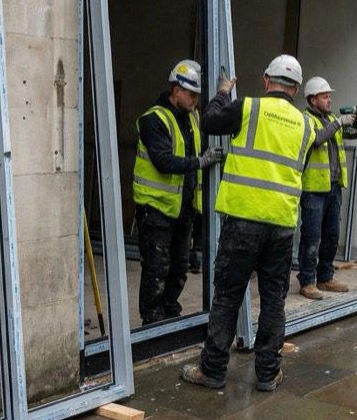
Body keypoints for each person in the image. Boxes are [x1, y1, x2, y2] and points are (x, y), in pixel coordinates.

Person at [181, 55, 342, 392]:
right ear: (296, 90)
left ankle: (212, 371)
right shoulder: (306, 124)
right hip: (282, 226)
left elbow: (208, 121)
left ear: (267, 81)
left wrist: (224, 92)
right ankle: (267, 374)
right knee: (273, 301)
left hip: (242, 221)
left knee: (227, 297)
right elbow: (319, 138)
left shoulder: (248, 107)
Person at [132, 60, 224, 326]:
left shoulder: (192, 116)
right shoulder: (154, 120)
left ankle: (170, 312)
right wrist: (200, 162)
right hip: (156, 209)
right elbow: (163, 161)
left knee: (180, 268)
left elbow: (214, 120)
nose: (196, 100)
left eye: (198, 95)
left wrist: (223, 93)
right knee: (156, 268)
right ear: (176, 90)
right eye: (192, 94)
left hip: (182, 209)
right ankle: (152, 319)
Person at [297, 76, 357, 300]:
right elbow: (316, 140)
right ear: (312, 99)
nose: (329, 99)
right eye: (325, 96)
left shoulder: (331, 119)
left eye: (329, 96)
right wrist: (339, 122)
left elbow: (354, 134)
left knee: (331, 235)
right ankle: (307, 281)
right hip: (314, 189)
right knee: (312, 236)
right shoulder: (305, 120)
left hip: (333, 187)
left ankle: (325, 277)